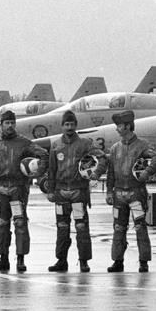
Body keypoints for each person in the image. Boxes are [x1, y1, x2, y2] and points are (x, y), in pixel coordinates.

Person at [0, 110, 49, 273]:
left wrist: (37, 172)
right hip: (1, 189)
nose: (9, 126)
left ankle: (21, 258)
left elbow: (43, 154)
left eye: (12, 123)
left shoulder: (24, 143)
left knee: (20, 223)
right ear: (1, 125)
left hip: (18, 189)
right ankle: (3, 258)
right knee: (2, 224)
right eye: (6, 123)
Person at [46, 110, 104, 272]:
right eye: (66, 124)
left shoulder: (85, 144)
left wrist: (95, 173)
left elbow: (102, 158)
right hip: (61, 192)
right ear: (62, 126)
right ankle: (61, 260)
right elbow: (51, 170)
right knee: (62, 228)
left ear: (76, 125)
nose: (69, 127)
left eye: (72, 124)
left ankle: (83, 261)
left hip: (79, 192)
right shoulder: (56, 145)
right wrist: (50, 190)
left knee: (81, 228)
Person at [105, 109, 156, 273]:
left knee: (140, 227)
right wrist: (109, 191)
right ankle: (117, 260)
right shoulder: (115, 148)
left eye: (119, 126)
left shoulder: (142, 146)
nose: (117, 129)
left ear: (128, 126)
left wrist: (147, 172)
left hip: (136, 193)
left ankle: (143, 261)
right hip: (119, 194)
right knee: (118, 228)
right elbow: (110, 172)